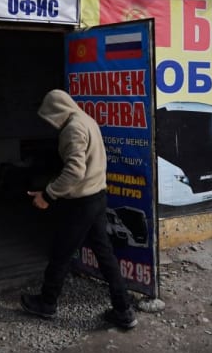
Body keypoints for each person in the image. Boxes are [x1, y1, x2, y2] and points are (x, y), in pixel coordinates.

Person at [20, 89, 138, 330]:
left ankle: (47, 303)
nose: (50, 123)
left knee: (61, 253)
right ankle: (124, 309)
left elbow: (75, 171)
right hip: (97, 196)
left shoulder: (73, 128)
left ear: (57, 110)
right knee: (105, 254)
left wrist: (48, 195)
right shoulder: (87, 120)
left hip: (81, 203)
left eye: (50, 116)